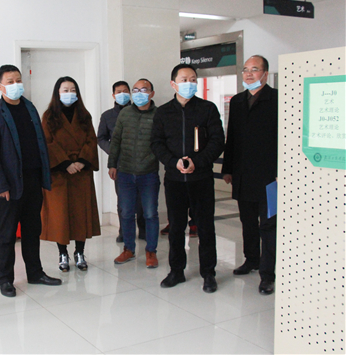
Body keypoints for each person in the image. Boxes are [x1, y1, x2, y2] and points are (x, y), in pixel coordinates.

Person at [0, 64, 62, 298]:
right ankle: (5, 280)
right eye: (10, 81)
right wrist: (0, 185)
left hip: (33, 180)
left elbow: (39, 143)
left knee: (32, 230)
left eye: (18, 80)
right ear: (0, 86)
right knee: (7, 235)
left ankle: (35, 273)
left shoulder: (29, 107)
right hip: (9, 185)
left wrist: (44, 177)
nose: (16, 85)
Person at [151, 64, 225, 293]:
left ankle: (209, 273)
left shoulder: (207, 109)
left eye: (193, 79)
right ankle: (176, 271)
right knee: (176, 227)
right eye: (184, 79)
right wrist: (173, 162)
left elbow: (217, 141)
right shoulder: (163, 112)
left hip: (201, 178)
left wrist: (198, 162)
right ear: (173, 84)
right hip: (174, 179)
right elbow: (156, 143)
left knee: (205, 227)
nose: (189, 83)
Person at [222, 55, 278, 295]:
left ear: (265, 73)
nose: (248, 74)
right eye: (245, 69)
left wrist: (280, 171)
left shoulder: (277, 99)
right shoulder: (237, 101)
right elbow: (232, 137)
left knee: (268, 225)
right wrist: (227, 168)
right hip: (243, 174)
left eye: (254, 69)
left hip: (269, 176)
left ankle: (267, 274)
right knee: (247, 222)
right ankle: (251, 259)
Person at [41, 76, 100, 272]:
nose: (69, 93)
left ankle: (80, 252)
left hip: (81, 173)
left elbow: (91, 140)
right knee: (61, 216)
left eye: (73, 90)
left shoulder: (84, 115)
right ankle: (63, 253)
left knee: (81, 213)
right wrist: (65, 163)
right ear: (57, 93)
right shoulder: (49, 116)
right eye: (65, 90)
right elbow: (47, 142)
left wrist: (81, 161)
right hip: (60, 172)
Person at [108, 79, 160, 267]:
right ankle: (128, 249)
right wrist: (112, 164)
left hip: (149, 173)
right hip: (125, 172)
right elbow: (116, 140)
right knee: (126, 213)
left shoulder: (159, 114)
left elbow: (162, 142)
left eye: (144, 90)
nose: (139, 93)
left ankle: (151, 251)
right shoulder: (125, 113)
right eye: (136, 90)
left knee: (150, 213)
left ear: (151, 93)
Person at [97, 81, 146, 243]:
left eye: (125, 91)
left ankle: (144, 229)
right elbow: (101, 138)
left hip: (141, 162)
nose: (122, 94)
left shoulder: (139, 111)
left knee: (142, 199)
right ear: (113, 95)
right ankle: (124, 231)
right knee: (124, 201)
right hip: (119, 164)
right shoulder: (107, 116)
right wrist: (113, 150)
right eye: (119, 92)